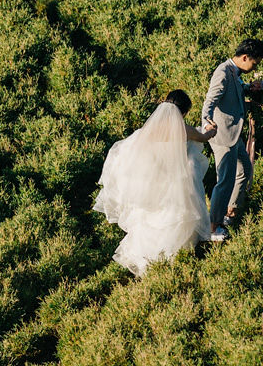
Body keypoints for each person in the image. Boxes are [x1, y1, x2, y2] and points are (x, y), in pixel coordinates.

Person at [93, 90, 217, 276]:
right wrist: (212, 129)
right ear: (183, 112)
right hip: (175, 184)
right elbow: (205, 137)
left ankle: (148, 261)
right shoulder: (183, 129)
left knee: (150, 220)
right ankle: (172, 259)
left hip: (153, 184)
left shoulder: (148, 130)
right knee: (175, 219)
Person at [201, 38, 263, 241]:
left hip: (234, 134)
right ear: (245, 57)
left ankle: (229, 213)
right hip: (223, 135)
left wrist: (252, 89)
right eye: (255, 63)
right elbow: (210, 101)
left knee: (245, 170)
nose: (254, 67)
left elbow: (235, 94)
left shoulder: (235, 72)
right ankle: (214, 227)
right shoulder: (223, 73)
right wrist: (207, 122)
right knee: (225, 181)